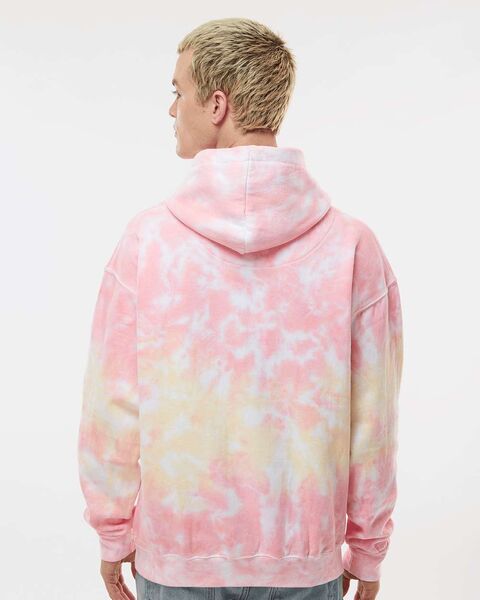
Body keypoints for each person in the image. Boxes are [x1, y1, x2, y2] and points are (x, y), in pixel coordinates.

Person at [77, 17, 403, 600]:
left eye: (178, 91)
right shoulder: (352, 247)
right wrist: (367, 549)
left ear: (217, 105)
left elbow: (113, 405)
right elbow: (373, 422)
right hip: (304, 565)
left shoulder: (148, 243)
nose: (172, 108)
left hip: (178, 559)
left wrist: (113, 530)